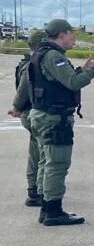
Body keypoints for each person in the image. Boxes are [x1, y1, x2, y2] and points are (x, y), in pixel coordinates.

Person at [21, 19, 94, 225]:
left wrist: (82, 69)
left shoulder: (42, 53)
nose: (74, 38)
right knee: (57, 164)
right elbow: (73, 83)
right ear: (62, 34)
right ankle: (53, 212)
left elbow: (62, 80)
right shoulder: (54, 56)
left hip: (42, 115)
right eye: (71, 34)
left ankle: (47, 209)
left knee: (46, 163)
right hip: (54, 119)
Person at [9, 30, 46, 207]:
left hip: (29, 113)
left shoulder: (27, 61)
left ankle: (36, 188)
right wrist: (17, 106)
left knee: (37, 151)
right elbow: (23, 90)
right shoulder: (33, 63)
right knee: (39, 154)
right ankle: (35, 190)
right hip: (33, 113)